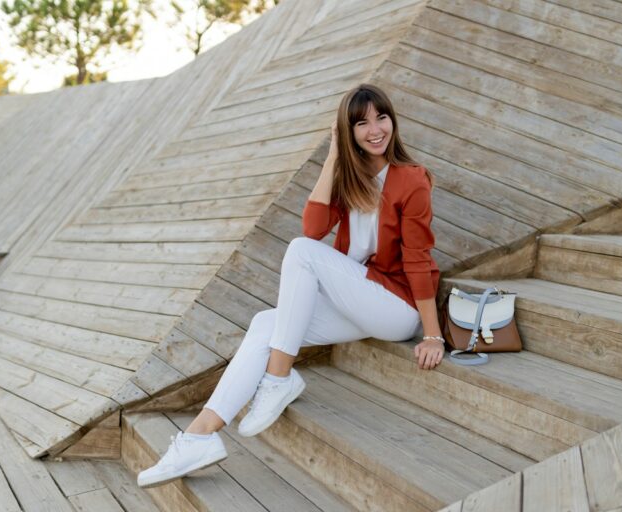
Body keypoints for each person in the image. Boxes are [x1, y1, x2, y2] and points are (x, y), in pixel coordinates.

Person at [137, 83, 445, 488]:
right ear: (347, 131)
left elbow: (417, 259)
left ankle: (278, 377)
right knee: (267, 322)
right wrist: (333, 159)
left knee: (300, 253)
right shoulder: (350, 180)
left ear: (393, 121)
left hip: (398, 308)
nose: (375, 129)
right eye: (361, 122)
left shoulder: (411, 179)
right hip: (360, 298)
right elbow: (314, 226)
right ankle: (199, 436)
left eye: (381, 117)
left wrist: (432, 335)